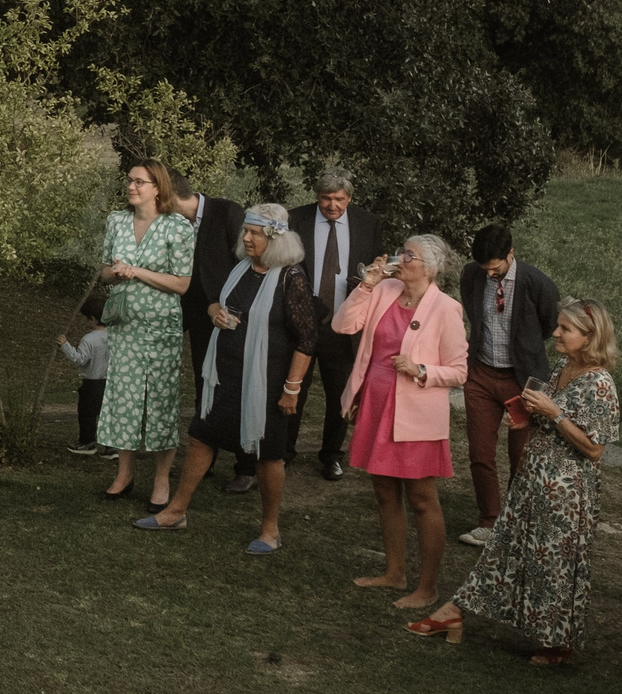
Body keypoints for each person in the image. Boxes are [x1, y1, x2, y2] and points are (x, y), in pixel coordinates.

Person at [409, 301, 622, 662]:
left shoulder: (600, 384)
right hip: (533, 478)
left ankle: (557, 643)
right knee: (504, 547)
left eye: (565, 329)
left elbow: (594, 449)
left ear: (589, 337)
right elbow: (550, 419)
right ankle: (455, 611)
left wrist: (554, 413)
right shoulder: (563, 367)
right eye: (558, 326)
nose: (555, 333)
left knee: (554, 565)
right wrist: (527, 417)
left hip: (566, 492)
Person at [135, 205, 317, 554]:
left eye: (255, 233)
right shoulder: (241, 269)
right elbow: (214, 302)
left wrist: (292, 388)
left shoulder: (290, 276)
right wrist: (215, 313)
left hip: (268, 381)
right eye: (246, 231)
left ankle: (270, 530)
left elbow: (307, 338)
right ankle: (176, 512)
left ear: (275, 238)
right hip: (226, 373)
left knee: (268, 455)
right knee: (201, 437)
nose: (246, 238)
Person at [337, 235, 469, 607]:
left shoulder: (446, 308)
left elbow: (460, 371)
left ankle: (427, 588)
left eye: (409, 255)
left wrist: (420, 369)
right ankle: (394, 573)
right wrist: (367, 285)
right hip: (377, 405)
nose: (400, 258)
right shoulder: (384, 290)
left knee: (422, 499)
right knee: (384, 491)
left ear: (429, 267)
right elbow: (343, 326)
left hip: (416, 414)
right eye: (402, 251)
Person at [94, 162, 194, 506]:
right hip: (124, 327)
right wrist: (116, 273)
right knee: (124, 398)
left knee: (161, 401)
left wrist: (136, 272)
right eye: (130, 180)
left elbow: (181, 284)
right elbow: (103, 271)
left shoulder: (177, 226)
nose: (131, 187)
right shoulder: (117, 221)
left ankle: (161, 480)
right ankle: (124, 475)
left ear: (157, 188)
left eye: (139, 182)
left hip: (160, 329)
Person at [457, 224, 561, 548]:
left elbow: (550, 325)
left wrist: (525, 352)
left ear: (511, 254)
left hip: (522, 382)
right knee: (480, 451)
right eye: (485, 268)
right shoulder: (471, 275)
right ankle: (488, 520)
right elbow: (473, 314)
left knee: (521, 455)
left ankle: (513, 523)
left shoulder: (538, 283)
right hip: (481, 375)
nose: (490, 274)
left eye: (496, 268)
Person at [287, 167, 381, 480]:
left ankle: (331, 455)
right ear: (317, 196)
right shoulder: (295, 219)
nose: (332, 205)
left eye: (339, 199)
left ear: (349, 198)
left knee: (340, 393)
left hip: (343, 324)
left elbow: (376, 269)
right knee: (294, 387)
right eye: (326, 198)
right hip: (302, 321)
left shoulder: (368, 223)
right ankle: (284, 451)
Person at [171, 172, 252, 491]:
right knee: (205, 386)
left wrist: (234, 311)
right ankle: (205, 459)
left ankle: (247, 467)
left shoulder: (227, 212)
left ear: (169, 195)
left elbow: (249, 264)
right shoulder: (172, 224)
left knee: (238, 388)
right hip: (199, 318)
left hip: (235, 318)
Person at [57, 291, 112, 457]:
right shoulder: (114, 336)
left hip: (92, 382)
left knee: (87, 414)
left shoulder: (89, 339)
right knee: (108, 414)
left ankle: (88, 442)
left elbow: (80, 359)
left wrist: (65, 345)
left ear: (93, 319)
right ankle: (111, 447)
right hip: (110, 382)